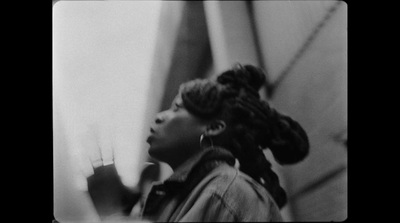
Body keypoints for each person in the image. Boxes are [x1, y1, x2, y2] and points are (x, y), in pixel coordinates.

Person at [142, 63, 310, 222]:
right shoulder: (193, 192)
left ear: (213, 127)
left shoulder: (225, 194)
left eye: (177, 108)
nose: (159, 116)